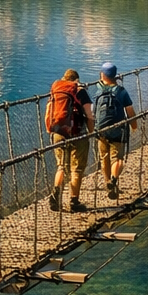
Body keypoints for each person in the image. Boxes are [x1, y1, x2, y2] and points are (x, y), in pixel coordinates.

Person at [45, 68, 95, 213]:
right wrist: (91, 132)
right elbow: (90, 114)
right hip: (77, 133)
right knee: (77, 168)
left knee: (61, 166)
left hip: (58, 131)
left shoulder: (56, 90)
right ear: (76, 80)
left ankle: (55, 195)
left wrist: (50, 130)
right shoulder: (80, 91)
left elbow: (48, 111)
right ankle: (74, 201)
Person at [92, 62, 137, 200]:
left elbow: (93, 112)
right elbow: (130, 111)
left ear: (102, 75)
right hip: (118, 130)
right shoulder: (121, 91)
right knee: (118, 159)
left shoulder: (98, 91)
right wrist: (134, 126)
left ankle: (108, 184)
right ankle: (113, 179)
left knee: (104, 158)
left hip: (101, 131)